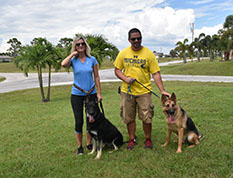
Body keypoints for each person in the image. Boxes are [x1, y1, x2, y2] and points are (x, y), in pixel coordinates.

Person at [114, 28, 170, 150]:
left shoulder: (148, 54)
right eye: (133, 39)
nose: (136, 40)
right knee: (128, 117)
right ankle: (132, 139)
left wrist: (162, 90)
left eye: (138, 38)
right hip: (127, 91)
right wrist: (125, 78)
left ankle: (148, 139)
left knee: (147, 117)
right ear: (129, 40)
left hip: (144, 92)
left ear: (141, 38)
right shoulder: (123, 53)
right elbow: (117, 70)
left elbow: (156, 74)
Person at [61, 36, 102, 155]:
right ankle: (80, 146)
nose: (80, 46)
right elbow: (63, 64)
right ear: (75, 46)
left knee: (91, 119)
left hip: (91, 93)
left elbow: (97, 77)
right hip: (77, 94)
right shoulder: (73, 60)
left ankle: (89, 143)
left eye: (82, 44)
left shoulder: (92, 59)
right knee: (79, 120)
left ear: (85, 46)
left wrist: (99, 93)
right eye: (78, 44)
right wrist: (73, 54)